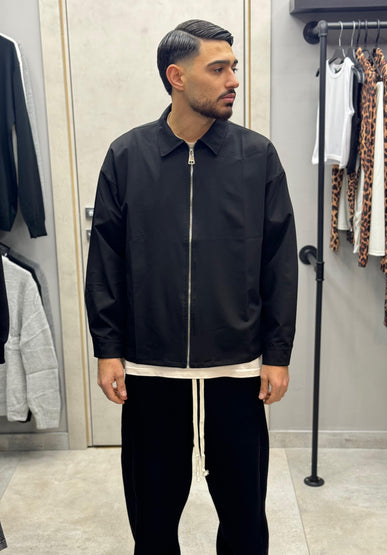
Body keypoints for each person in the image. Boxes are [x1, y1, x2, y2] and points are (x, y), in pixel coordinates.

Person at [85, 19, 298, 555]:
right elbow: (106, 259)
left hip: (237, 367)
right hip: (150, 366)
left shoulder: (258, 157)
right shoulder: (127, 156)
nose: (233, 80)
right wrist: (107, 348)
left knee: (245, 517)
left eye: (233, 68)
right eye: (218, 69)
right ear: (176, 77)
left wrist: (277, 353)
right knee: (153, 517)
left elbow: (279, 263)